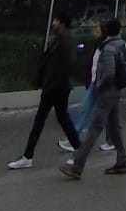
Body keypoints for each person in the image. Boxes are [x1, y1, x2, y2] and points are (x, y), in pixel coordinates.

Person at [7, 11, 78, 169]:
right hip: (53, 87)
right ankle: (28, 155)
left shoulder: (65, 41)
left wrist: (51, 83)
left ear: (61, 23)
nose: (53, 23)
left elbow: (67, 65)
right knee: (54, 120)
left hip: (56, 88)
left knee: (54, 120)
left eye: (55, 20)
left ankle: (28, 156)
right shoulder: (59, 39)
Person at [61, 17, 126, 178]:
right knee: (114, 127)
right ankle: (122, 160)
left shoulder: (108, 49)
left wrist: (99, 85)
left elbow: (109, 73)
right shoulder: (122, 44)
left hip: (106, 93)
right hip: (116, 91)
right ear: (118, 31)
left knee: (94, 128)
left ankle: (77, 165)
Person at [59, 19, 115, 154]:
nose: (94, 32)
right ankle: (75, 138)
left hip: (101, 85)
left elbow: (107, 68)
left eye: (97, 30)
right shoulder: (97, 45)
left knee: (99, 113)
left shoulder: (107, 47)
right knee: (87, 110)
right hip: (94, 83)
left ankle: (108, 140)